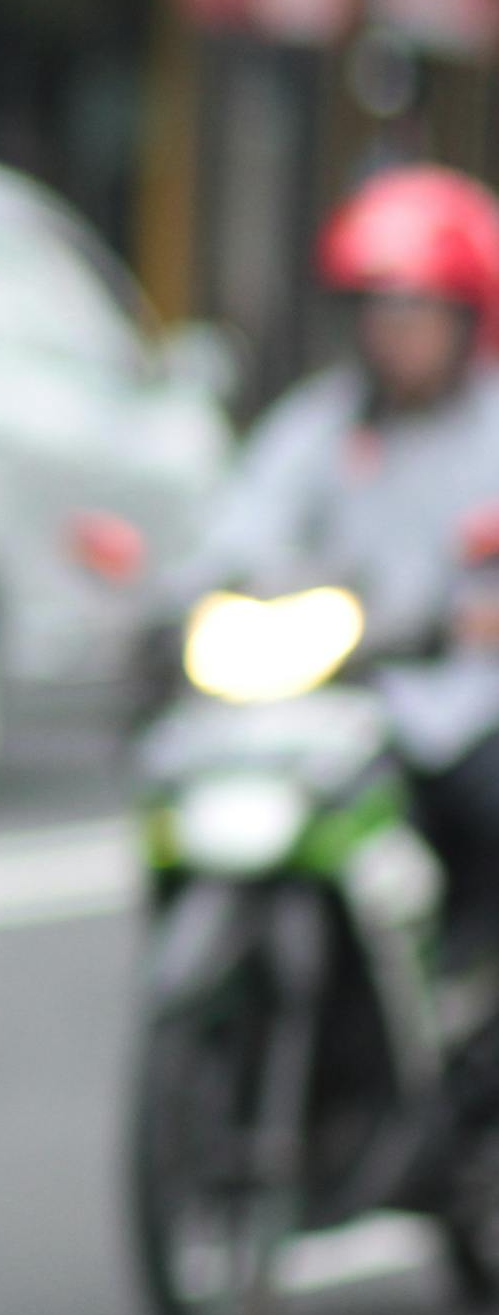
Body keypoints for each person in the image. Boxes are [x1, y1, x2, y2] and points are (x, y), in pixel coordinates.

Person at [175, 163, 499, 957]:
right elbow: (239, 530)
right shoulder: (319, 426)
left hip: (461, 708)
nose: (395, 329)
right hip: (335, 701)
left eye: (418, 309)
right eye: (379, 308)